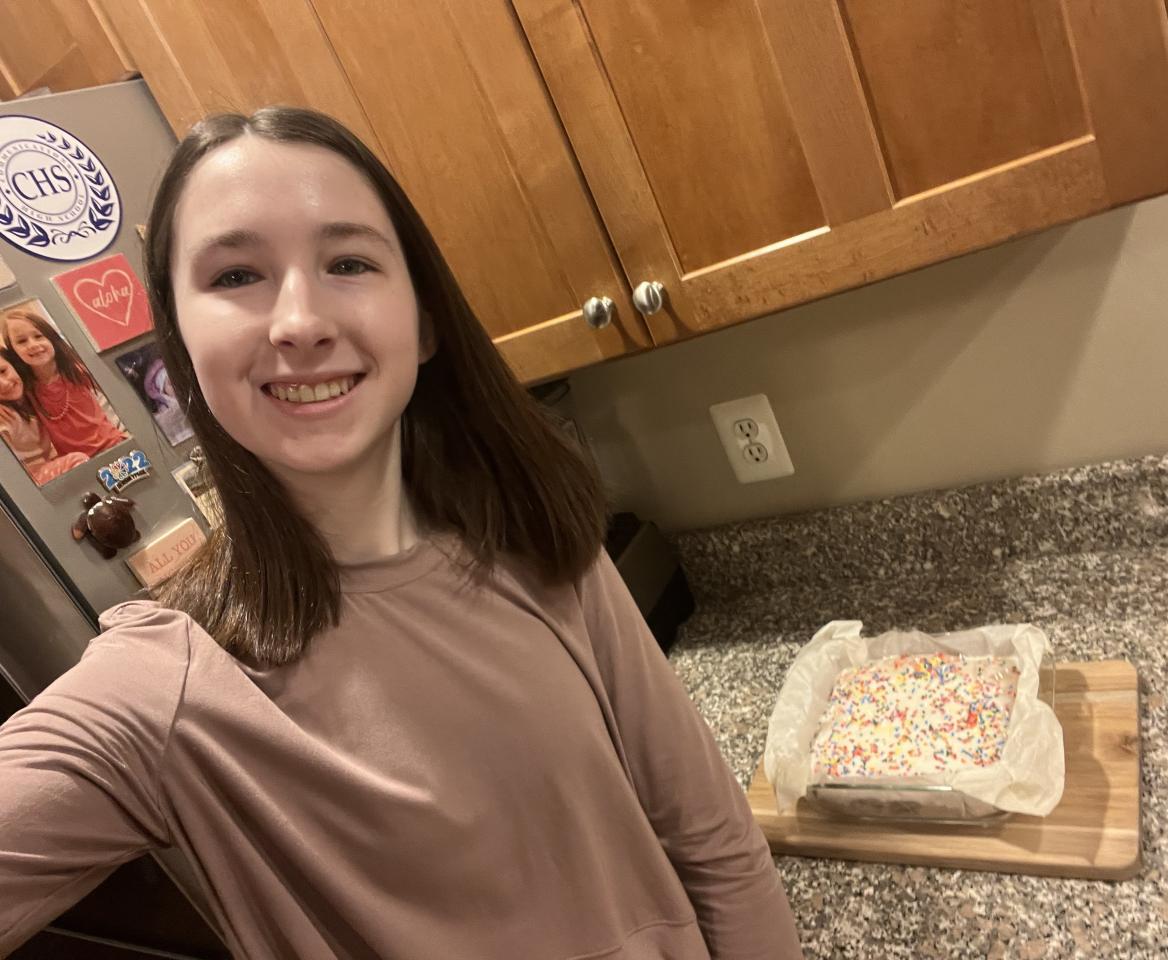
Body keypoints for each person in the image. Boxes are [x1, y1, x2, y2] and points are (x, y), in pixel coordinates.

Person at [0, 107, 803, 959]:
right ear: (182, 346)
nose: (300, 321)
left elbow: (714, 844)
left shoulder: (531, 539)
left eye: (348, 263)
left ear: (423, 322)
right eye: (236, 275)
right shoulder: (167, 690)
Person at [0, 306, 129, 458]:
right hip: (83, 463)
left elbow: (119, 391)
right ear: (13, 351)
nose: (33, 345)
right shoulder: (26, 389)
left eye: (38, 336)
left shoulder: (76, 371)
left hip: (114, 444)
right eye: (22, 341)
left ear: (51, 338)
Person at [0, 348, 89, 484]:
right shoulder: (3, 415)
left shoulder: (33, 394)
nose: (4, 384)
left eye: (3, 371)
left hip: (53, 463)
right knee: (77, 460)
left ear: (13, 365)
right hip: (31, 480)